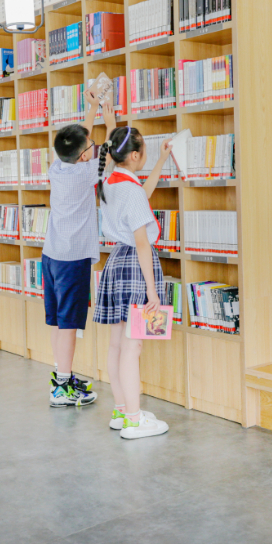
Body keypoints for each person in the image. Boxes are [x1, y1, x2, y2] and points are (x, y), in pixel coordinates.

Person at [93, 126, 171, 439]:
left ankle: (122, 410)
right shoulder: (130, 189)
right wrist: (152, 290)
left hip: (115, 263)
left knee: (117, 345)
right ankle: (135, 421)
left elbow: (142, 194)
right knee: (132, 347)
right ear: (135, 155)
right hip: (136, 267)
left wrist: (161, 160)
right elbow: (142, 243)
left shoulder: (110, 180)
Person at [43, 84, 117, 407]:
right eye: (91, 145)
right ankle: (62, 387)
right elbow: (109, 153)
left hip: (52, 255)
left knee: (59, 322)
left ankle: (62, 375)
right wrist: (109, 121)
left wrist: (92, 109)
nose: (93, 144)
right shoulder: (85, 174)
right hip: (72, 260)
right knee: (70, 325)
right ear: (86, 156)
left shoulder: (59, 166)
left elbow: (81, 141)